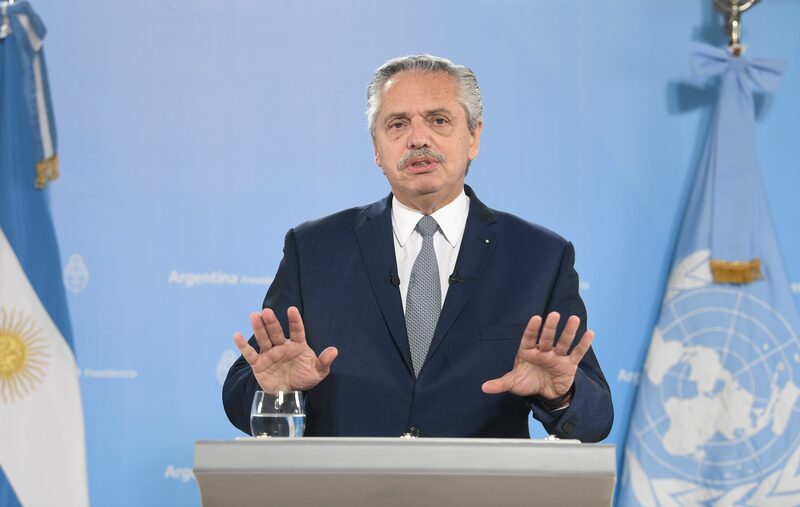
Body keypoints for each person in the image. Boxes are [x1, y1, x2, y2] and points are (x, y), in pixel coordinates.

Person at [223, 54, 613, 441]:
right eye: (397, 124)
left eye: (439, 120)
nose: (419, 139)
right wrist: (276, 391)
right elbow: (244, 389)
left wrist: (562, 394)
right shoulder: (313, 250)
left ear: (473, 136)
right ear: (377, 148)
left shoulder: (540, 257)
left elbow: (596, 418)